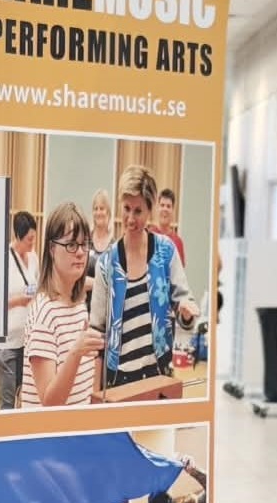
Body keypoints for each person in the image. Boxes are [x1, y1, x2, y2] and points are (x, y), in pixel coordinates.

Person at [90, 166, 199, 389]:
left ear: (150, 210)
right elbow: (97, 333)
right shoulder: (106, 263)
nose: (130, 218)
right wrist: (95, 393)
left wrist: (186, 313)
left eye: (138, 211)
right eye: (126, 208)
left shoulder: (166, 252)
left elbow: (185, 308)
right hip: (117, 378)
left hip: (158, 372)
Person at [20, 203, 105, 407]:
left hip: (74, 431)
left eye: (85, 244)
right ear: (51, 249)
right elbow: (50, 402)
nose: (81, 253)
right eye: (71, 245)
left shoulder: (78, 303)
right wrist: (76, 352)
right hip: (49, 436)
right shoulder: (45, 312)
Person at [0, 211, 38, 410]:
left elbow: (37, 285)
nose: (32, 243)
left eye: (34, 238)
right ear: (17, 236)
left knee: (23, 402)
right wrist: (18, 301)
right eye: (28, 239)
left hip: (26, 341)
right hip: (5, 345)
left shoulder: (33, 257)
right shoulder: (3, 260)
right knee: (7, 404)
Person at [149, 189, 186, 266]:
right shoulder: (148, 236)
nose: (165, 209)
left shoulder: (178, 242)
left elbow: (179, 274)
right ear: (157, 208)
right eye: (162, 205)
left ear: (173, 210)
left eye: (168, 206)